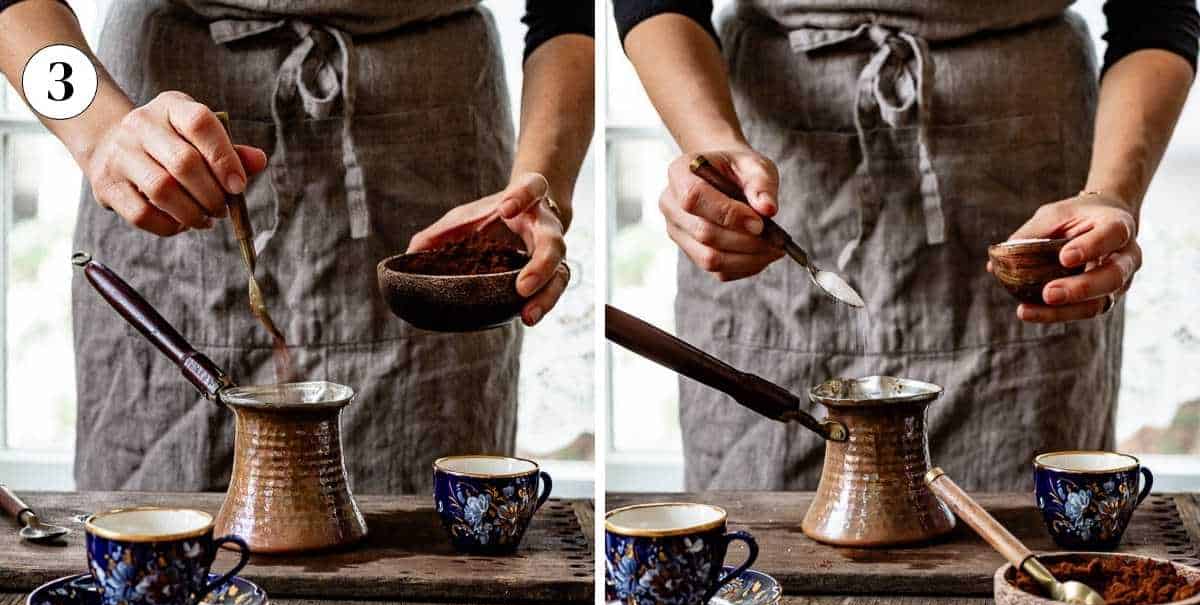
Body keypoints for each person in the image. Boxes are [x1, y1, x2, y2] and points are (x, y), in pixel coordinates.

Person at [0, 0, 593, 493]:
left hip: (434, 151)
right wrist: (96, 126)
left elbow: (566, 11)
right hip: (167, 147)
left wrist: (538, 190)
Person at [613, 0, 1197, 491]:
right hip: (774, 165)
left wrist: (1112, 192)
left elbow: (1156, 12)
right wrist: (709, 143)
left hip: (1028, 176)